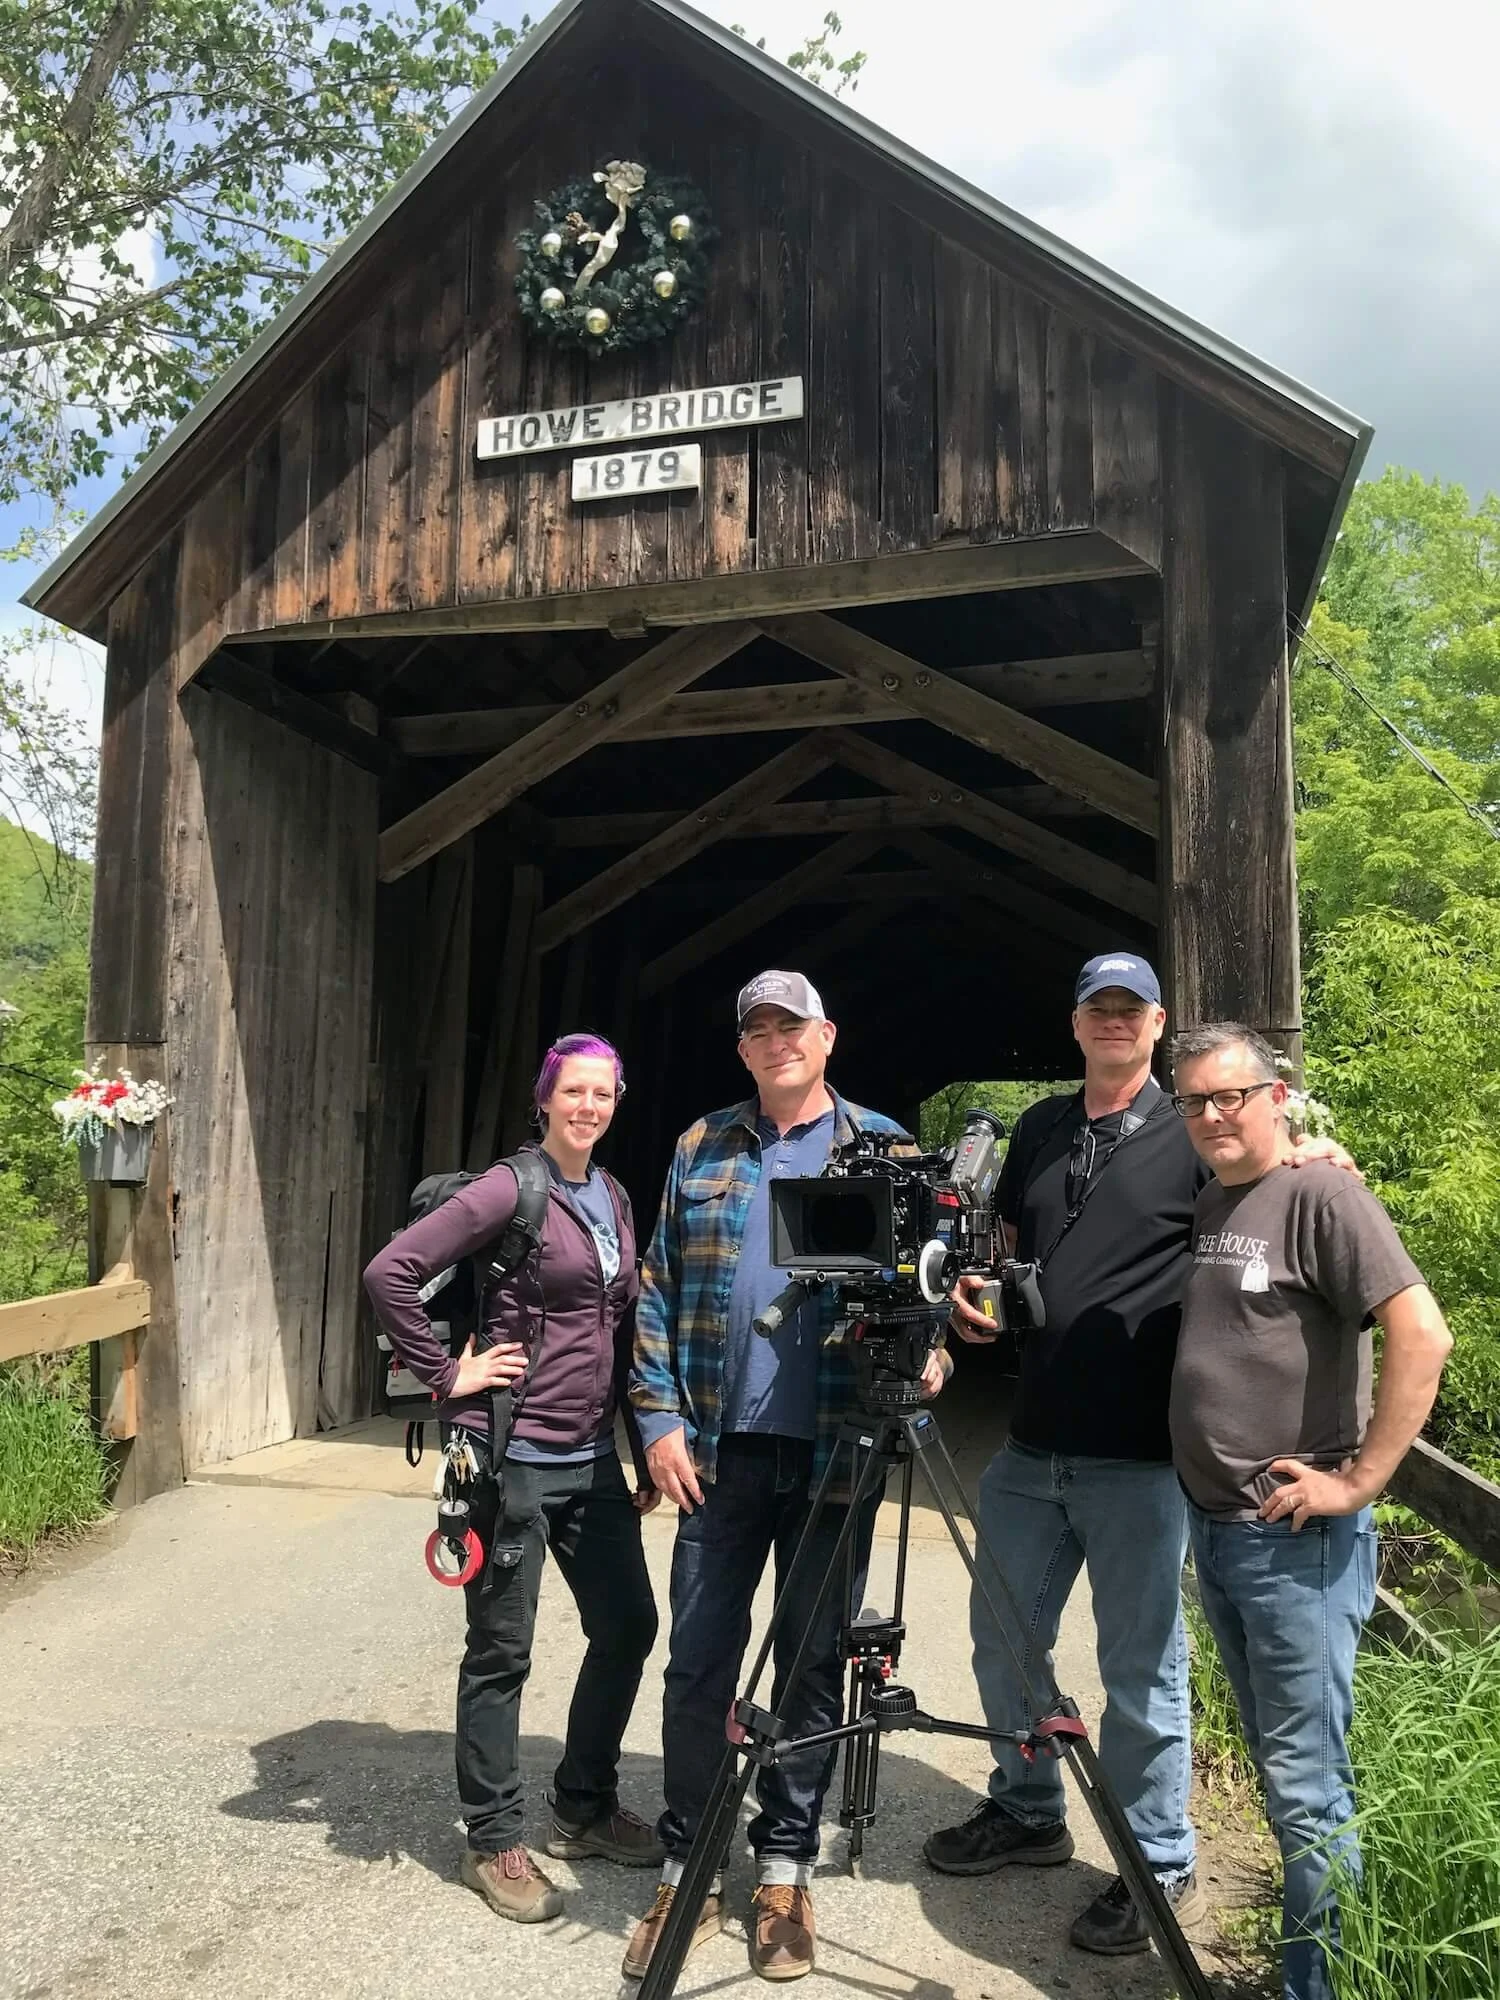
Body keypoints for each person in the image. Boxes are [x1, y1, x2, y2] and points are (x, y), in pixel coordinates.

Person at [925, 954, 1354, 1957]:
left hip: (1143, 1452)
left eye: (1130, 1008)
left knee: (1142, 1669)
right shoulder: (1038, 1126)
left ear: (1156, 1023)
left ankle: (1158, 1861)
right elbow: (1001, 1243)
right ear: (1074, 1023)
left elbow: (1271, 1164)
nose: (1112, 1022)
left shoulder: (1194, 1126)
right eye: (1096, 1008)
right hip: (1034, 1439)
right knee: (1004, 1640)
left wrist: (1319, 1158)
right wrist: (973, 1301)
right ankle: (1029, 1807)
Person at [625, 970, 949, 1983]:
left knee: (812, 1665)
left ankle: (783, 1868)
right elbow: (655, 1289)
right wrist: (659, 1419)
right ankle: (687, 1862)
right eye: (758, 1029)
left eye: (792, 1025)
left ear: (828, 1034)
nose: (776, 1042)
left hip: (836, 1447)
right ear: (743, 1048)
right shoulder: (699, 1145)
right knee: (698, 1661)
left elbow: (931, 1278)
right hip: (715, 1451)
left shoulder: (886, 1145)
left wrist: (933, 1352)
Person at [1168, 1022, 1451, 2000]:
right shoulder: (1218, 1196)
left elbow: (1422, 1334)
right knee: (1286, 1777)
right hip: (1224, 1533)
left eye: (1231, 1094)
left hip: (1297, 1544)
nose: (1212, 1113)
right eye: (1195, 1100)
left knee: (1305, 1790)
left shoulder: (1326, 1192)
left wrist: (1362, 1478)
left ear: (1275, 1095)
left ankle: (1313, 1986)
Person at [363, 1033, 661, 1925]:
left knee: (629, 1626)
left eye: (603, 1093)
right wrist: (447, 1374)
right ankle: (492, 1837)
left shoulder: (610, 1194)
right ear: (545, 1098)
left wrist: (644, 1441)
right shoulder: (512, 1186)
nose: (589, 1106)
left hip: (590, 1457)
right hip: (513, 1457)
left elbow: (621, 1327)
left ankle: (582, 1801)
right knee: (503, 1650)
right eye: (574, 1090)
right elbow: (392, 1273)